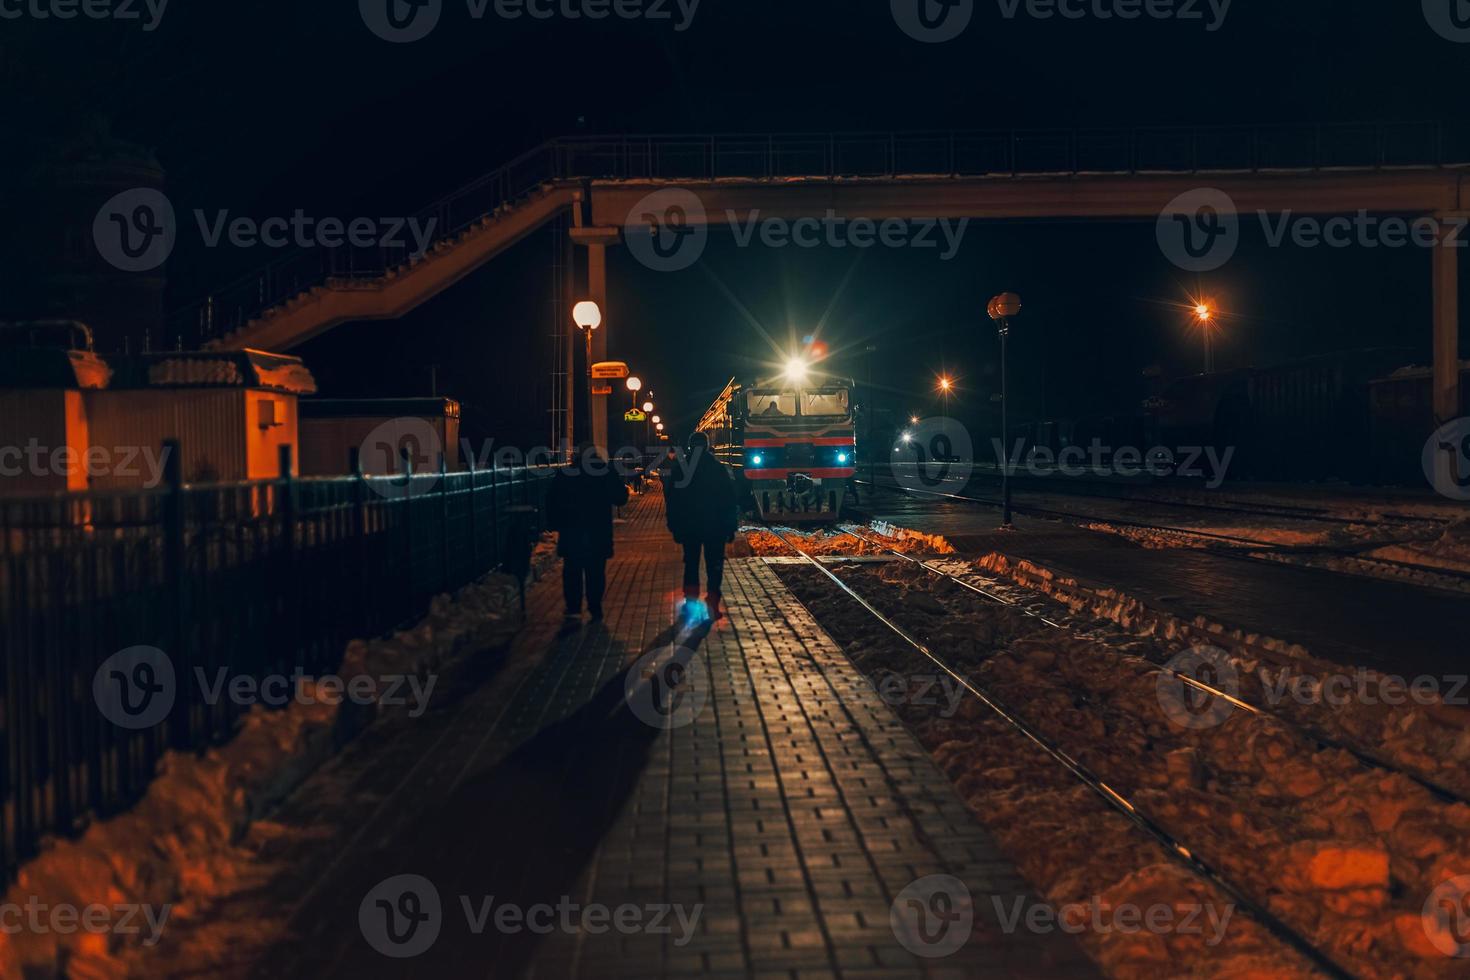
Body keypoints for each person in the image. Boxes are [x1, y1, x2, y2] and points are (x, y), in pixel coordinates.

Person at [545, 444, 629, 624]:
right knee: (596, 571)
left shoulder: (566, 474)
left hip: (571, 530)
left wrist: (555, 524)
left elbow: (552, 501)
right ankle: (595, 607)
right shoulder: (605, 472)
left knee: (572, 570)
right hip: (598, 529)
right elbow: (621, 498)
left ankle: (574, 608)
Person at [666, 432, 739, 619]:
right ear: (707, 446)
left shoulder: (681, 469)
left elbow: (672, 500)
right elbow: (729, 500)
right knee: (714, 565)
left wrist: (674, 525)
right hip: (715, 527)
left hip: (690, 527)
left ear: (690, 447)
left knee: (691, 563)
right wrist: (731, 526)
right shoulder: (718, 469)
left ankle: (690, 602)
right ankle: (713, 604)